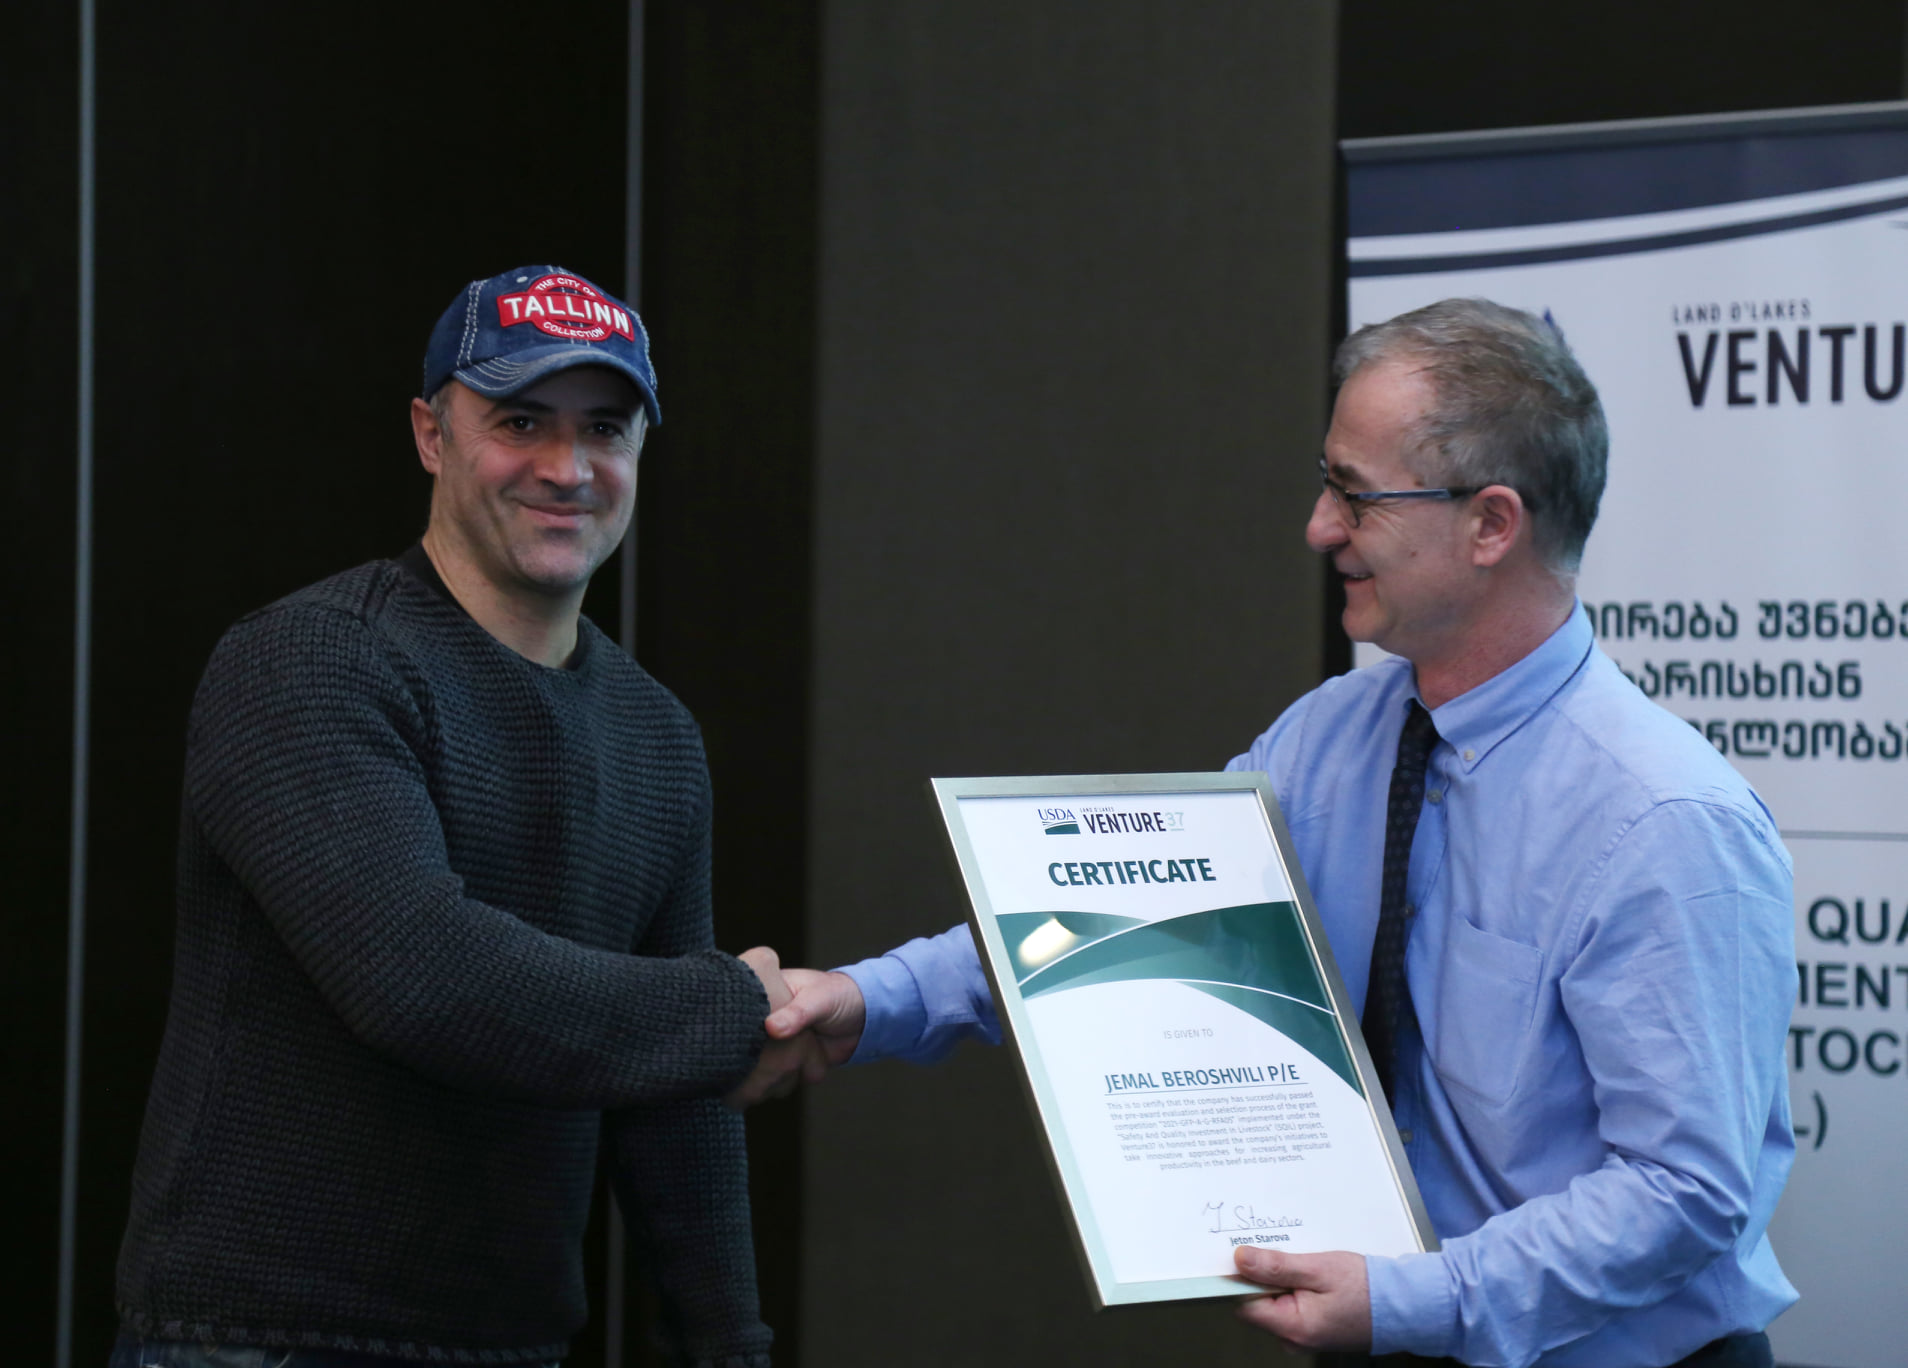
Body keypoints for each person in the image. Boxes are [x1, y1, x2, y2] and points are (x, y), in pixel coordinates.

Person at [753, 299, 1798, 1368]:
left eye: (1356, 493)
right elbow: (1130, 920)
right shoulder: (1327, 738)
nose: (1319, 527)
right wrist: (868, 999)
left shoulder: (1666, 822)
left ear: (1492, 525)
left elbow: (1683, 1191)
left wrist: (1416, 1300)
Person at [112, 265, 820, 1368]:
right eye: (521, 422)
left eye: (605, 429)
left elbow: (674, 1094)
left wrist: (728, 1345)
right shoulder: (310, 661)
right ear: (430, 435)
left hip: (512, 1341)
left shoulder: (657, 735)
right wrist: (730, 1007)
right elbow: (421, 977)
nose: (567, 467)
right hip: (262, 1341)